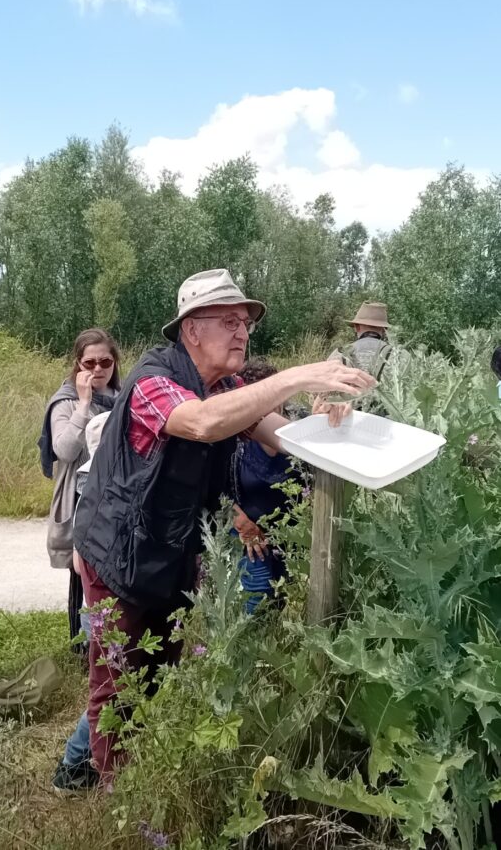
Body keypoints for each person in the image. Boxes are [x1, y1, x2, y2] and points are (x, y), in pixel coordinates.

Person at [74, 268, 375, 783]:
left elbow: (285, 437)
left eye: (247, 324)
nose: (242, 332)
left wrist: (327, 422)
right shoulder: (153, 380)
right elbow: (203, 421)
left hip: (171, 554)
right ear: (192, 329)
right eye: (230, 321)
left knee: (155, 674)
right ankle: (107, 793)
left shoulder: (229, 387)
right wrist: (299, 375)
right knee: (117, 683)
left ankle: (129, 777)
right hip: (115, 553)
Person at [39, 329, 120, 649]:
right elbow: (65, 450)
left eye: (105, 361)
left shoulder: (122, 395)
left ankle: (110, 639)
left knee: (113, 572)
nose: (98, 369)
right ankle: (84, 643)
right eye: (90, 362)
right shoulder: (66, 401)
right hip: (81, 496)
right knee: (83, 572)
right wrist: (84, 405)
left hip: (117, 494)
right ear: (78, 364)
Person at [51, 412, 110, 795]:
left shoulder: (96, 481)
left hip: (102, 607)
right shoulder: (100, 485)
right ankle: (74, 765)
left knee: (110, 685)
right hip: (108, 607)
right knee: (111, 687)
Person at [231, 359, 309, 614]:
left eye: (274, 395)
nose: (271, 405)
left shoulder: (298, 426)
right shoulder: (233, 437)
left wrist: (328, 419)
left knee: (283, 591)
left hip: (289, 531)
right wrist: (241, 522)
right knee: (260, 591)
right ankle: (244, 644)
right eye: (261, 396)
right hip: (247, 526)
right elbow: (211, 487)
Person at [330, 301, 392, 380]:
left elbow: (324, 387)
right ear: (384, 329)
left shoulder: (339, 353)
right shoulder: (400, 354)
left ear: (356, 327)